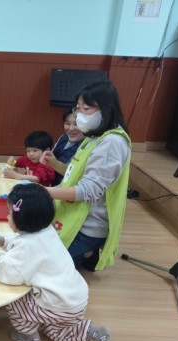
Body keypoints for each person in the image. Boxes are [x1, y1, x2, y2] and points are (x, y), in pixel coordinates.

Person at [0, 183, 111, 341]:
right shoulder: (46, 230)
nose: (7, 217)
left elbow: (8, 272)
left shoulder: (29, 245)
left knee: (13, 298)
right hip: (74, 299)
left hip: (57, 304)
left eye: (9, 213)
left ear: (21, 219)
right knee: (56, 332)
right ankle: (95, 332)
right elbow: (19, 241)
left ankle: (29, 335)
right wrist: (0, 240)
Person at [42, 81, 131, 271]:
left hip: (88, 224)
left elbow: (87, 191)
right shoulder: (93, 137)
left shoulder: (112, 141)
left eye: (86, 109)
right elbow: (74, 174)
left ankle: (90, 248)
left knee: (47, 268)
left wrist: (44, 192)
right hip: (73, 212)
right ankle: (87, 254)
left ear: (105, 109)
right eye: (78, 108)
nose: (79, 115)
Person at [46, 106, 85, 185]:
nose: (71, 128)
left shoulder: (88, 145)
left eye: (76, 124)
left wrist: (54, 163)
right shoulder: (64, 137)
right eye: (67, 123)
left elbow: (77, 176)